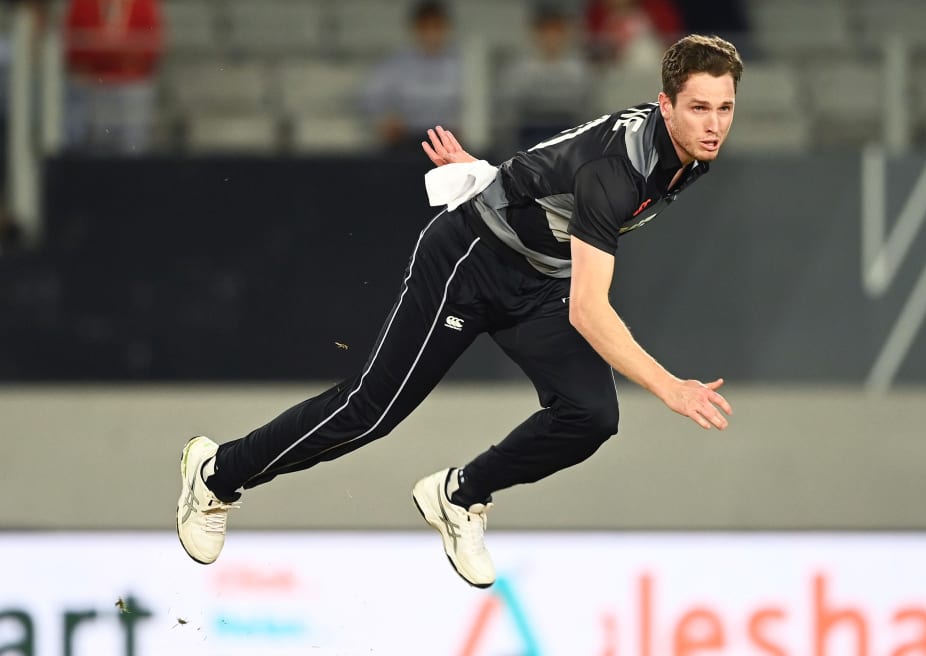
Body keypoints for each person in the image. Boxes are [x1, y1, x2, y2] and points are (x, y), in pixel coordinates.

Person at [177, 34, 741, 589]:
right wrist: (670, 387)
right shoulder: (619, 172)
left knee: (590, 416)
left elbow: (561, 160)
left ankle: (458, 496)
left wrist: (497, 176)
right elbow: (590, 310)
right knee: (372, 411)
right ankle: (216, 476)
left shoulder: (687, 153)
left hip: (541, 277)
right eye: (698, 108)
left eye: (724, 108)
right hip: (471, 260)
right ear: (665, 106)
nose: (713, 124)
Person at [62, 0, 164, 154]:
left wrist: (106, 55)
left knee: (132, 140)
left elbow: (151, 49)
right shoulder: (82, 4)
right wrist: (116, 54)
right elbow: (73, 50)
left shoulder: (144, 4)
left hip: (129, 86)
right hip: (93, 86)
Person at [360, 1, 462, 152]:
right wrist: (385, 119)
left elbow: (473, 104)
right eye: (426, 27)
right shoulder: (396, 63)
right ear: (416, 29)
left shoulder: (462, 63)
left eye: (436, 27)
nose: (431, 34)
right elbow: (370, 98)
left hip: (450, 140)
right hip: (405, 139)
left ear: (446, 28)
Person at [499, 4, 591, 149]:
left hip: (569, 133)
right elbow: (510, 111)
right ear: (535, 33)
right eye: (545, 31)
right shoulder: (519, 69)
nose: (551, 37)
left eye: (556, 31)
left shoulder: (580, 69)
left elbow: (587, 110)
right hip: (528, 135)